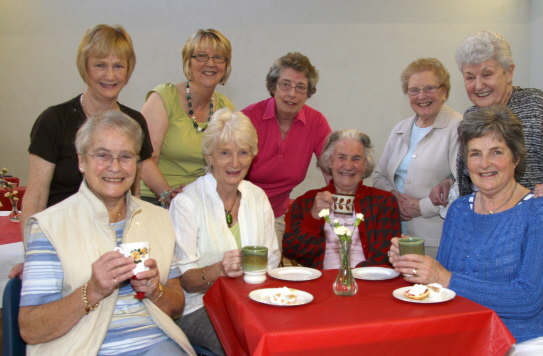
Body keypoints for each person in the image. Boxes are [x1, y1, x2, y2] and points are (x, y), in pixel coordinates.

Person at [390, 105, 543, 355]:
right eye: (475, 154)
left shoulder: (542, 210)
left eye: (497, 152)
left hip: (538, 335)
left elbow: (528, 300)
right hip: (476, 331)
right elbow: (445, 289)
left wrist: (442, 277)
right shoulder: (459, 210)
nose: (485, 164)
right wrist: (414, 266)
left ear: (516, 157)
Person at [19, 111, 195, 355]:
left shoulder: (159, 219)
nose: (115, 167)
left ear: (136, 164)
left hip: (156, 344)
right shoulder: (50, 226)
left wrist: (156, 290)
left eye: (125, 156)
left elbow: (176, 305)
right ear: (81, 161)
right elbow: (31, 329)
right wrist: (92, 290)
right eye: (102, 155)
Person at [13, 24, 159, 280]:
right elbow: (35, 198)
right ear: (85, 68)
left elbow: (133, 198)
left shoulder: (135, 123)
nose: (110, 75)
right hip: (62, 244)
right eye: (100, 65)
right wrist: (34, 258)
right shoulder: (53, 121)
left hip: (116, 249)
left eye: (118, 66)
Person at [430, 31, 543, 253]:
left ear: (509, 72)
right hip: (484, 238)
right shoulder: (470, 117)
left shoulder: (536, 105)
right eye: (470, 77)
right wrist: (450, 180)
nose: (478, 85)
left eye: (487, 74)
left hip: (534, 237)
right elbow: (470, 175)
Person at [169, 108, 280, 355]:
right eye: (225, 153)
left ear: (253, 156)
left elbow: (272, 260)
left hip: (253, 301)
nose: (235, 163)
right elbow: (186, 281)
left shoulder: (257, 197)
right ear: (209, 157)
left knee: (288, 335)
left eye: (243, 153)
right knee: (241, 342)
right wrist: (219, 269)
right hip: (201, 307)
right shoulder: (187, 203)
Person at [242, 52, 331, 253]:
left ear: (309, 93)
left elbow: (332, 170)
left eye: (300, 87)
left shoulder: (316, 122)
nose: (292, 93)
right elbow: (227, 171)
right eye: (285, 84)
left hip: (276, 214)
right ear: (273, 87)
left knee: (269, 273)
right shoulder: (249, 117)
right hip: (239, 212)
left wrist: (340, 208)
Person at [373, 58, 461, 257]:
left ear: (444, 91)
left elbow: (462, 185)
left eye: (430, 88)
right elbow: (379, 177)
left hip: (436, 240)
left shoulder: (458, 127)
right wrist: (394, 198)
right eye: (414, 90)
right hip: (395, 235)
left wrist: (422, 207)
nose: (422, 96)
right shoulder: (400, 128)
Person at [140, 29, 235, 207]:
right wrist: (168, 196)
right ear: (188, 62)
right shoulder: (163, 97)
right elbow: (145, 159)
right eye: (201, 56)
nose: (210, 63)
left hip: (199, 202)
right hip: (155, 198)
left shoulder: (226, 108)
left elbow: (226, 163)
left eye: (218, 57)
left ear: (226, 65)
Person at [283, 129, 401, 269]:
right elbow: (292, 251)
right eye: (341, 157)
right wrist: (313, 218)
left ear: (365, 165)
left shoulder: (384, 202)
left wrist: (350, 277)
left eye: (356, 158)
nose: (348, 165)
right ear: (329, 161)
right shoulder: (307, 201)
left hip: (368, 281)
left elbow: (386, 256)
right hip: (321, 283)